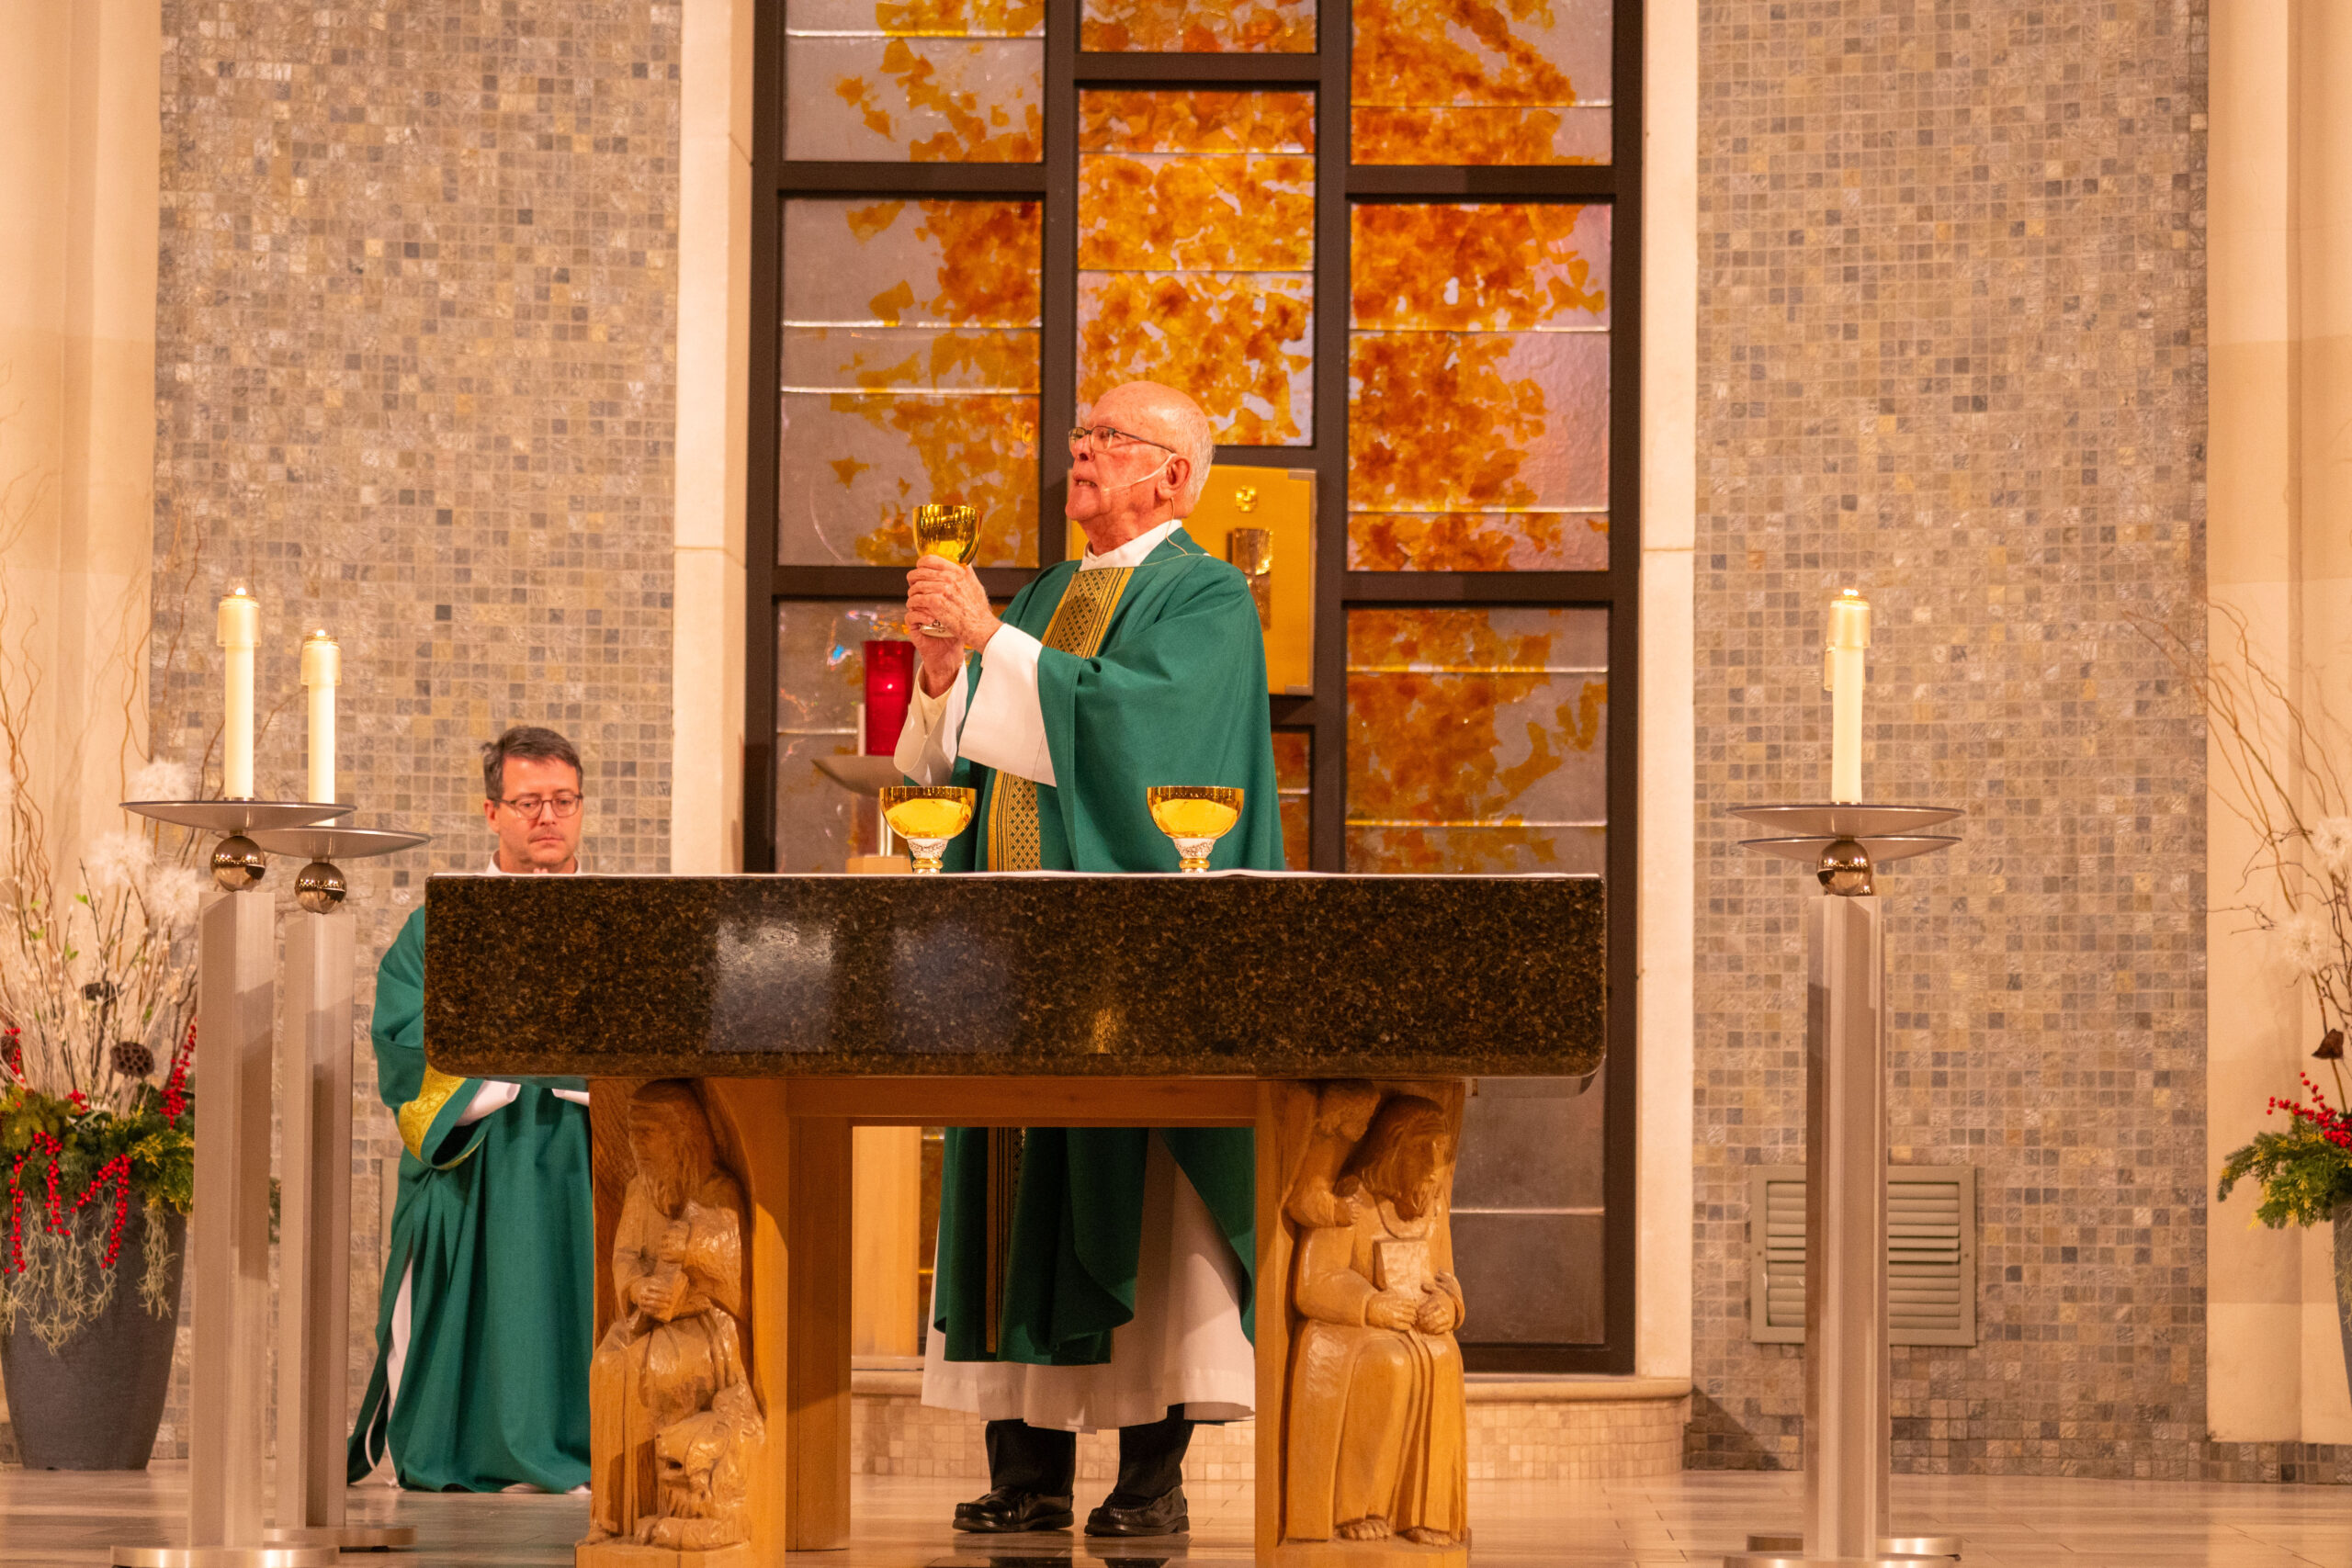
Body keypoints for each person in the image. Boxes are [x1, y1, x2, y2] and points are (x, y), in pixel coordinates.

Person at [893, 380, 1281, 1538]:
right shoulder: (1047, 595)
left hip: (1132, 954)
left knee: (1145, 1199)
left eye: (1111, 438)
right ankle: (1026, 1474)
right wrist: (941, 672)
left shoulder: (1206, 596)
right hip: (1012, 952)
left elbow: (1145, 732)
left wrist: (989, 642)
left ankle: (1149, 1482)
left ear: (1174, 474)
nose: (1083, 452)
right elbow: (957, 766)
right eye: (1080, 435)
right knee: (1012, 1189)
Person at [347, 725, 596, 1492]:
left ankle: (590, 1449)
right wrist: (520, 1074)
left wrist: (559, 1072)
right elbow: (402, 1034)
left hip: (586, 1152)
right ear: (492, 812)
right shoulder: (440, 922)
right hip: (476, 1154)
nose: (547, 817)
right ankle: (457, 1450)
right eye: (528, 802)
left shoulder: (616, 915)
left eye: (563, 800)